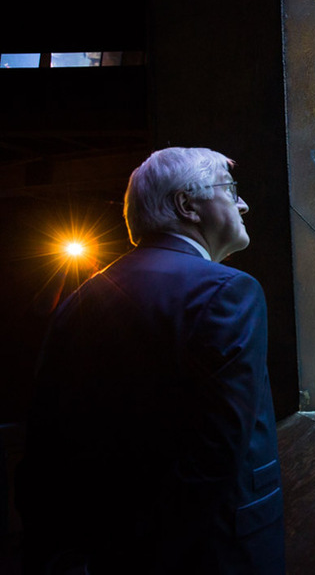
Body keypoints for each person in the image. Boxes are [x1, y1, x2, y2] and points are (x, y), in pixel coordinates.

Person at [17, 147, 285, 574]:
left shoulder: (80, 297)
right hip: (212, 553)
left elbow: (49, 440)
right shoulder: (228, 291)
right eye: (230, 189)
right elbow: (215, 455)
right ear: (187, 205)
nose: (243, 203)